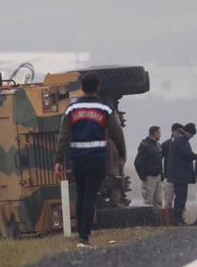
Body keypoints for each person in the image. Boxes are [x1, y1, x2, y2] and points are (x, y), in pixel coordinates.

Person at [54, 71, 126, 249]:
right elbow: (116, 132)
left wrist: (58, 160)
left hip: (77, 158)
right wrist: (122, 152)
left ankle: (81, 233)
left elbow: (63, 137)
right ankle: (84, 238)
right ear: (98, 89)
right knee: (90, 197)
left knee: (81, 194)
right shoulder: (105, 109)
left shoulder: (71, 110)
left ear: (81, 88)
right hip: (96, 158)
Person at [167, 123, 197, 226]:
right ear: (188, 132)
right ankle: (177, 219)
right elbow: (187, 153)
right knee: (181, 197)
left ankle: (178, 218)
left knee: (180, 196)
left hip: (177, 172)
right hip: (180, 173)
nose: (191, 137)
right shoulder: (181, 139)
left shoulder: (177, 137)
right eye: (192, 135)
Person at [134, 126, 163, 208]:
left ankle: (158, 219)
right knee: (148, 201)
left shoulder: (157, 145)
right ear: (155, 133)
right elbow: (138, 161)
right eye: (159, 133)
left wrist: (161, 174)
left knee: (158, 201)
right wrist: (142, 176)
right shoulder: (145, 145)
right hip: (149, 177)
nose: (160, 135)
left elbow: (159, 161)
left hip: (157, 176)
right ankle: (148, 220)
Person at [161, 123, 183, 209]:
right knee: (168, 202)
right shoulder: (166, 144)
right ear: (173, 131)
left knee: (181, 201)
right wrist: (161, 173)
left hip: (180, 177)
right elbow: (159, 158)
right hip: (168, 176)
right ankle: (167, 221)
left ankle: (181, 219)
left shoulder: (183, 143)